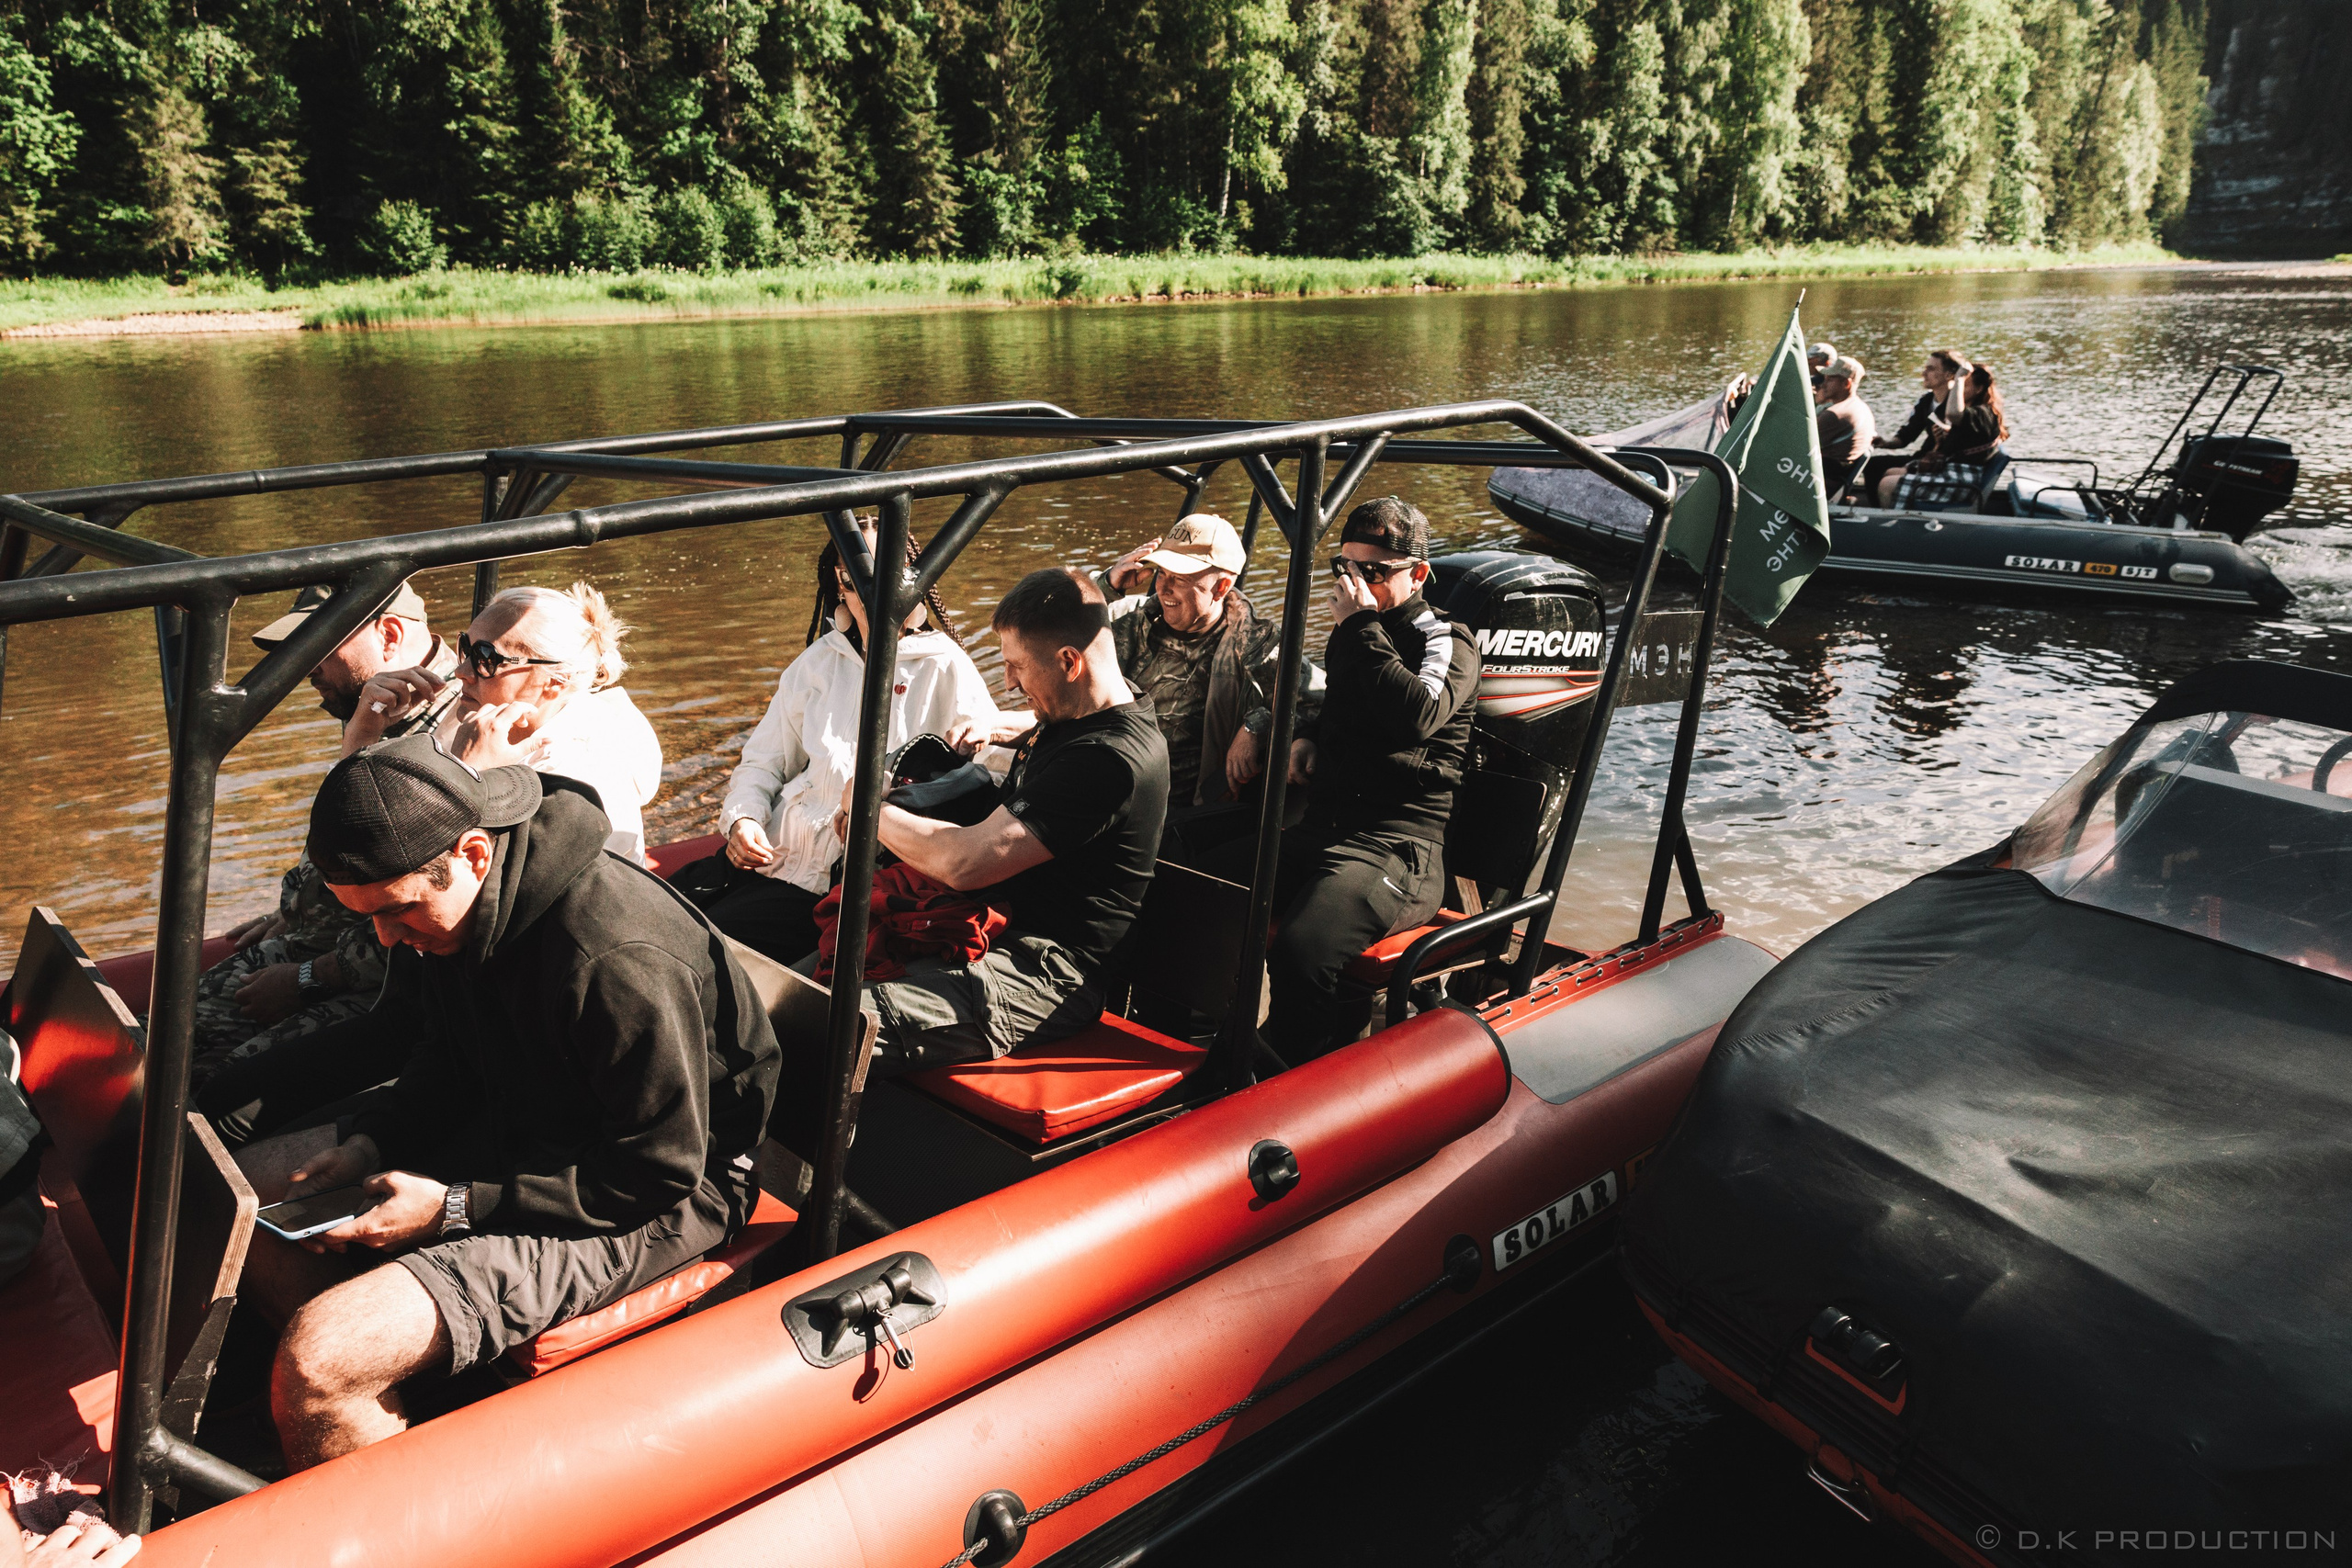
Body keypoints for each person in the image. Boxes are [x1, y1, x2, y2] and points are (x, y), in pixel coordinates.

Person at [232, 735, 779, 1470]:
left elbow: (658, 1166)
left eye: (397, 910)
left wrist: (456, 1206)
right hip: (531, 1129)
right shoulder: (454, 921)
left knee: (319, 1361)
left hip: (661, 1189)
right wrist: (373, 1141)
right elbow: (444, 1058)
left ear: (473, 856)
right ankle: (409, 1390)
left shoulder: (615, 958)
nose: (387, 938)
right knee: (247, 1204)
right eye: (366, 917)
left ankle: (375, 1401)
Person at [823, 567, 1170, 1077]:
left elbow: (964, 863)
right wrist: (998, 726)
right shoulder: (1094, 705)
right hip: (997, 931)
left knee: (828, 1024)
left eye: (1015, 667)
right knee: (801, 985)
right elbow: (1054, 719)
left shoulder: (1110, 761)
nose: (1007, 682)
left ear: (1070, 662)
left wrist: (866, 809)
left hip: (1049, 973)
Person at [1221, 497, 1481, 1063]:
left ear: (1419, 574)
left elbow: (1417, 714)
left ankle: (1296, 1073)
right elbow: (1339, 706)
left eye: (1375, 571)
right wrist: (1306, 735)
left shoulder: (1446, 641)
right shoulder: (1354, 636)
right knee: (1203, 885)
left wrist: (1362, 623)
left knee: (1301, 951)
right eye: (1347, 567)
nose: (1356, 582)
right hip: (1327, 830)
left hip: (1397, 847)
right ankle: (1209, 1041)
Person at [190, 581, 461, 1088]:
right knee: (164, 1031)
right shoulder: (382, 711)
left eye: (320, 646)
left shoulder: (447, 742)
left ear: (390, 635)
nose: (306, 666)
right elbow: (346, 852)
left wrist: (306, 978)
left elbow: (430, 916)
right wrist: (293, 911)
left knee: (218, 1084)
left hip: (384, 985)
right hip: (328, 945)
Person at [701, 523, 1007, 965]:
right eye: (851, 577)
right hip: (774, 861)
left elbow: (992, 774)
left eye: (883, 573)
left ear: (913, 578)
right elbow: (762, 764)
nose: (865, 590)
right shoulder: (816, 663)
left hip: (851, 887)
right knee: (669, 918)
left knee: (706, 950)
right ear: (838, 585)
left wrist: (899, 819)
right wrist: (743, 820)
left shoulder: (946, 667)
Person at [361, 581, 663, 862]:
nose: (461, 672)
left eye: (486, 658)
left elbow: (419, 872)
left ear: (555, 681)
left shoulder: (571, 785)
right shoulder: (488, 718)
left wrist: (470, 776)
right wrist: (364, 733)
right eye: (466, 648)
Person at [1095, 513, 1320, 841]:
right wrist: (1107, 585)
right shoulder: (1127, 617)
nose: (1165, 588)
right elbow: (1050, 638)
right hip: (1103, 784)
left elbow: (1319, 704)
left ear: (1222, 587)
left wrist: (1255, 725)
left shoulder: (1258, 643)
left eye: (1181, 578)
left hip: (1175, 817)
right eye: (1162, 573)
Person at [1890, 362, 2008, 510]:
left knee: (1887, 485)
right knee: (1891, 472)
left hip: (1962, 481)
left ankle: (1894, 523)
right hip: (1952, 472)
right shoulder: (1969, 414)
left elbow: (1953, 413)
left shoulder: (1983, 413)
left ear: (1978, 389)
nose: (1957, 390)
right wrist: (1940, 441)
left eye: (1965, 385)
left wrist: (1959, 378)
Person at [1872, 348, 1972, 506]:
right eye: (1926, 368)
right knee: (1873, 465)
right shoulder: (1926, 401)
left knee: (1879, 469)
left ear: (1949, 375)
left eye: (1931, 369)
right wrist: (1886, 443)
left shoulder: (1956, 405)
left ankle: (1883, 513)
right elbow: (1908, 434)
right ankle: (1875, 511)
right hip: (1923, 457)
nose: (1923, 374)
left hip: (1938, 463)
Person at [1814, 355, 1878, 498]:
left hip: (1822, 483)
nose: (1822, 385)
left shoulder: (1834, 414)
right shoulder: (1862, 408)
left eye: (1830, 380)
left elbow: (1795, 446)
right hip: (1837, 477)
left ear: (1846, 384)